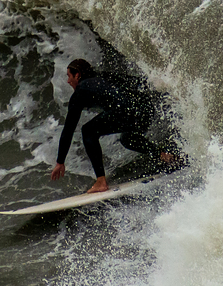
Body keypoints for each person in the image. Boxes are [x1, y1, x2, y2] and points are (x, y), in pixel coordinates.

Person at [49, 58, 181, 194]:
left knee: (88, 131)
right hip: (145, 108)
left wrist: (60, 162)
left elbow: (68, 130)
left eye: (69, 76)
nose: (68, 81)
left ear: (78, 75)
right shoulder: (104, 76)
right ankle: (166, 156)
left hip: (127, 110)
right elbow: (137, 82)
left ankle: (101, 181)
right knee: (127, 139)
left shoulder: (80, 91)